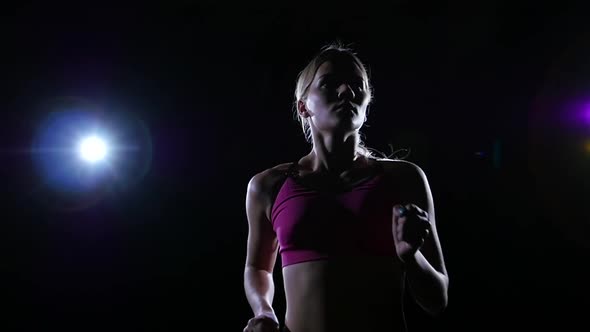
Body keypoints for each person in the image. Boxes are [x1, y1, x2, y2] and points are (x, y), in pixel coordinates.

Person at [243, 43, 449, 332]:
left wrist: (411, 256)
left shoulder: (404, 179)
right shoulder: (268, 186)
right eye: (330, 84)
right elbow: (258, 267)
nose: (346, 92)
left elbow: (437, 299)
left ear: (367, 103)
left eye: (357, 85)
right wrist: (264, 312)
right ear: (303, 106)